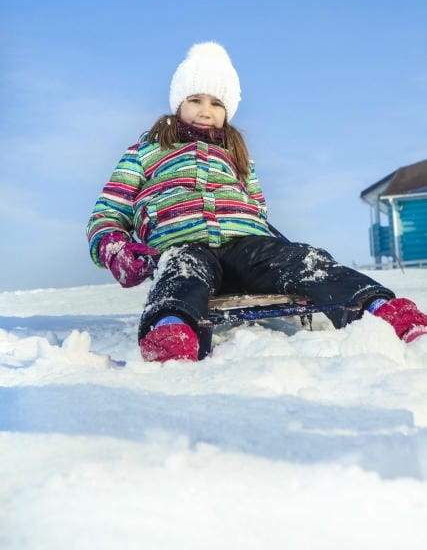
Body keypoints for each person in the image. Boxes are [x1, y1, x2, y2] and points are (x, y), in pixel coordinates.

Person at [87, 42, 427, 363]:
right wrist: (115, 248)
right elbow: (107, 212)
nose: (206, 111)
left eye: (217, 103)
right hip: (182, 242)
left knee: (305, 261)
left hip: (244, 243)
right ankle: (171, 331)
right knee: (181, 272)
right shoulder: (145, 151)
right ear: (178, 103)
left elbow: (258, 208)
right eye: (196, 99)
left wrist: (271, 239)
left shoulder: (237, 156)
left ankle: (380, 308)